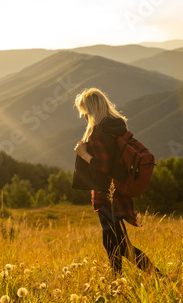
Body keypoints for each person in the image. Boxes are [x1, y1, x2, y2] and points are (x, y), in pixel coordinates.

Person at [72, 88, 160, 276]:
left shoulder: (99, 133)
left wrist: (83, 154)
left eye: (85, 112)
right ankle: (116, 282)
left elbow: (104, 166)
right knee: (111, 243)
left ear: (91, 110)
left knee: (122, 245)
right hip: (118, 190)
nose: (84, 117)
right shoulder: (117, 127)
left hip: (107, 195)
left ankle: (160, 277)